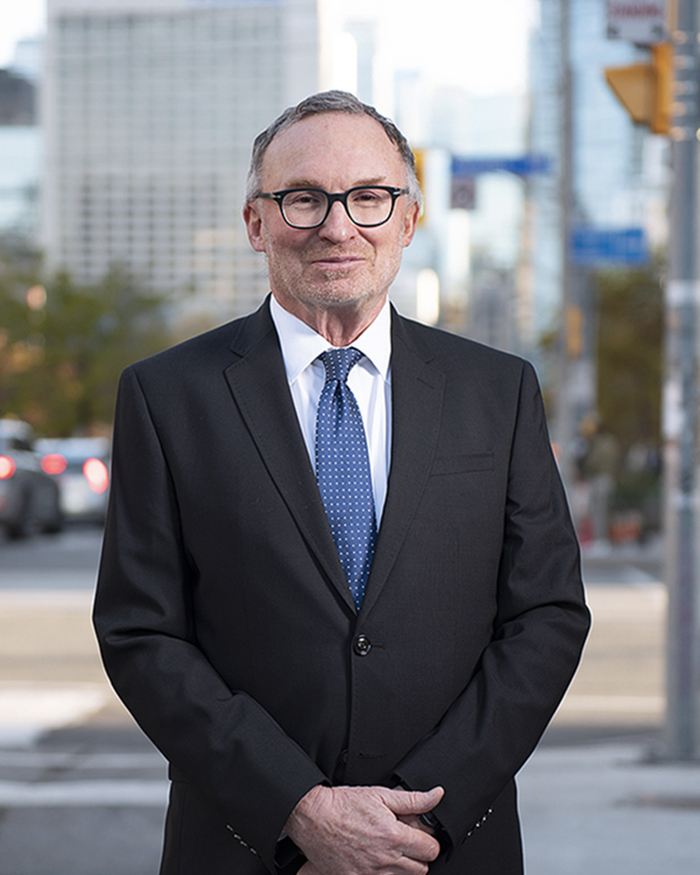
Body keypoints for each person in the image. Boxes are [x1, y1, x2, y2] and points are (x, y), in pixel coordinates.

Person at [93, 90, 590, 875]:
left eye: (367, 197)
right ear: (256, 222)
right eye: (303, 198)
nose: (336, 224)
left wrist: (424, 808)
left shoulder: (498, 391)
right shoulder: (166, 395)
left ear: (408, 220)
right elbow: (140, 632)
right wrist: (300, 806)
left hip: (447, 844)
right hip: (245, 845)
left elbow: (548, 614)